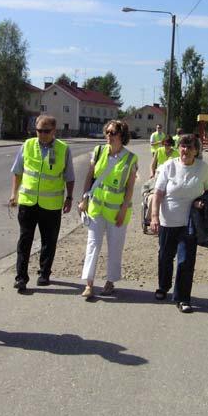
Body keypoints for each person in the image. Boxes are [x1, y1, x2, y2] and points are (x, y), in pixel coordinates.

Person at [9, 115, 75, 292]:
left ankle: (44, 273)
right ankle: (21, 277)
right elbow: (17, 171)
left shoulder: (63, 149)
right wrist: (13, 194)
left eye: (46, 131)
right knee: (25, 240)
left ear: (54, 131)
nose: (42, 134)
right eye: (39, 130)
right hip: (28, 202)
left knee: (49, 241)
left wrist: (69, 197)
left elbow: (69, 176)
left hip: (51, 205)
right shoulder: (28, 145)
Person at [150, 134, 208, 313]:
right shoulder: (169, 166)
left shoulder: (203, 168)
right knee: (165, 256)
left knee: (186, 261)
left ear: (196, 151)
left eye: (190, 147)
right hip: (168, 220)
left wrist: (201, 202)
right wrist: (154, 216)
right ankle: (163, 286)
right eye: (182, 146)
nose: (185, 150)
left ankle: (183, 297)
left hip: (189, 223)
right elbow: (158, 193)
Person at [78, 119, 138, 298]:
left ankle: (110, 282)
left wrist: (123, 210)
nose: (109, 136)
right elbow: (90, 176)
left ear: (122, 136)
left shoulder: (130, 158)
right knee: (92, 245)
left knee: (115, 247)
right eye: (107, 132)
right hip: (96, 208)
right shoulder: (98, 152)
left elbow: (129, 187)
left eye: (113, 133)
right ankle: (89, 284)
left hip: (117, 211)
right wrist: (84, 199)